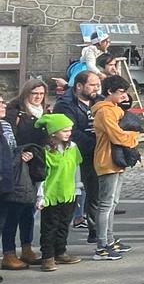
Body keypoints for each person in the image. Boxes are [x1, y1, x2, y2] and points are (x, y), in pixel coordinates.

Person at [92, 75, 139, 261]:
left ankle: (109, 239)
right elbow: (117, 136)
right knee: (105, 204)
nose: (124, 95)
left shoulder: (113, 109)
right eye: (120, 92)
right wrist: (133, 137)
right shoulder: (105, 112)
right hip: (107, 160)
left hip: (116, 160)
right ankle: (101, 245)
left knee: (112, 203)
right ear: (109, 92)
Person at [54, 71, 101, 242]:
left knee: (95, 194)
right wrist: (95, 143)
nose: (96, 88)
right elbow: (70, 132)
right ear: (79, 86)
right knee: (72, 196)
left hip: (96, 154)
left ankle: (96, 231)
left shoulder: (99, 100)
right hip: (76, 154)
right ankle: (59, 242)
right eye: (92, 85)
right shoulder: (65, 104)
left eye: (98, 84)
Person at [0, 94, 45, 271]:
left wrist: (23, 153)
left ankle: (26, 248)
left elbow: (11, 148)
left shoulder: (4, 124)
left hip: (15, 172)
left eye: (3, 102)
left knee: (25, 210)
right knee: (7, 218)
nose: (3, 105)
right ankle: (8, 253)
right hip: (6, 175)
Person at [35, 113, 83, 271]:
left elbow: (76, 167)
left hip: (68, 192)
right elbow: (42, 176)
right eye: (64, 131)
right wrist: (41, 196)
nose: (68, 133)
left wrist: (77, 187)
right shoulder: (45, 151)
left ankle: (60, 252)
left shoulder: (73, 147)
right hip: (51, 195)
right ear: (53, 132)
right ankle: (47, 256)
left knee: (64, 224)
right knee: (50, 227)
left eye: (70, 130)